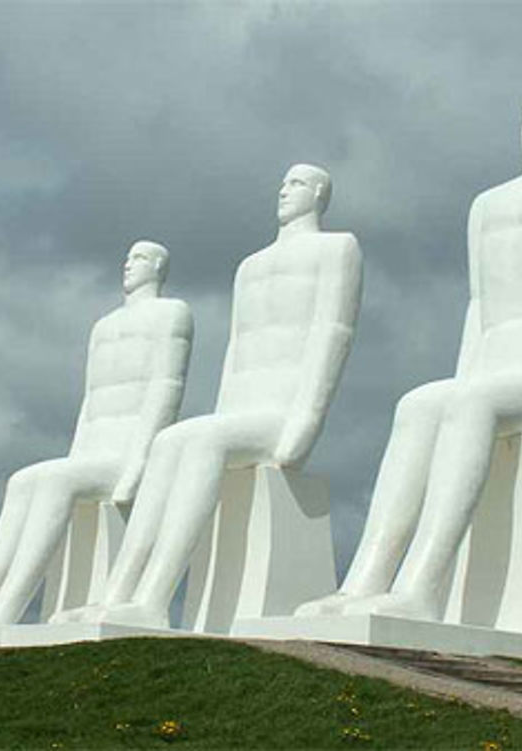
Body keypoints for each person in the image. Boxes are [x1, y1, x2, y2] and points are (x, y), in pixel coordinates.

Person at [297, 88, 522, 622]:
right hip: (491, 370)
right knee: (417, 405)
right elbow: (479, 306)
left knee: (467, 404)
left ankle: (425, 586)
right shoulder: (487, 204)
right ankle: (363, 580)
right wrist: (463, 377)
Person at [54, 164, 362, 629]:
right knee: (169, 442)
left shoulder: (337, 249)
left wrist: (306, 421)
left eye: (296, 183)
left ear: (319, 193)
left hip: (279, 415)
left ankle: (154, 597)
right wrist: (220, 414)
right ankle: (119, 594)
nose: (283, 190)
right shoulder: (250, 268)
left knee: (195, 441)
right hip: (239, 414)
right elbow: (237, 353)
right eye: (281, 182)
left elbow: (332, 332)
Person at [0, 241, 193, 640]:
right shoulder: (103, 327)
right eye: (127, 257)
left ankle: (4, 613)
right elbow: (90, 403)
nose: (128, 265)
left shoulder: (172, 314)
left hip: (123, 457)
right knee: (22, 481)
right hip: (92, 454)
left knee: (50, 482)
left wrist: (137, 464)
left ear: (158, 267)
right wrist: (76, 455)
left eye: (139, 258)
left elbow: (165, 389)